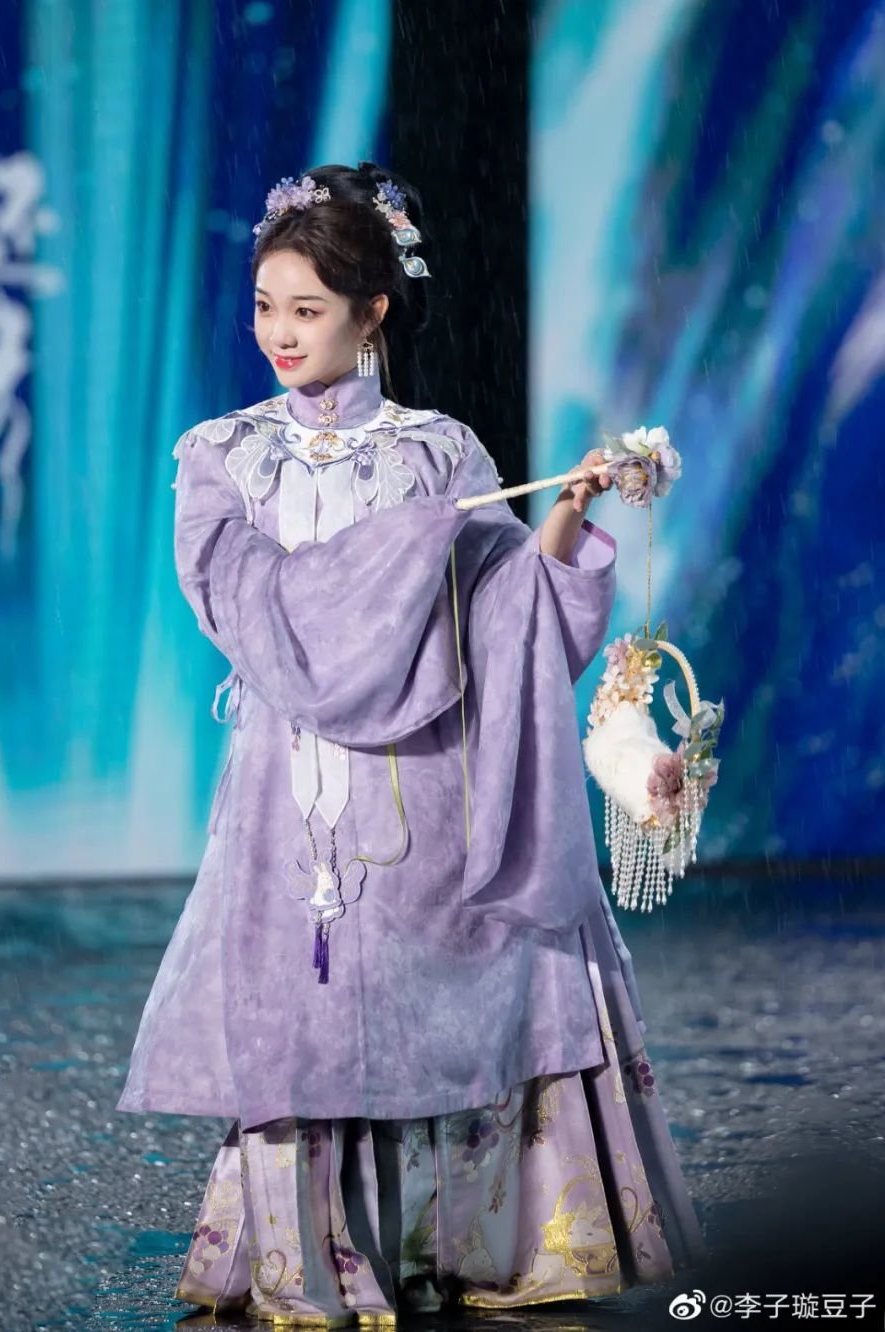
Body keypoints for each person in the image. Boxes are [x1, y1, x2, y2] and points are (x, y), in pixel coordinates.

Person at [115, 161, 708, 1321]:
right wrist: (399, 552)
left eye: (307, 308)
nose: (280, 333)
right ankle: (311, 1263)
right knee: (301, 1022)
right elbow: (248, 604)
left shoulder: (441, 453)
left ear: (373, 311)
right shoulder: (222, 456)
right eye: (266, 306)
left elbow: (502, 619)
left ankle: (466, 1246)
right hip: (295, 794)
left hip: (423, 780)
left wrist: (566, 515)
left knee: (449, 1002)